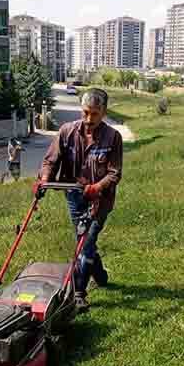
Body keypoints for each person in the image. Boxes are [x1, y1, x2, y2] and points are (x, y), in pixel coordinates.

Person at [34, 87, 122, 312]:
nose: (89, 118)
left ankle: (79, 292)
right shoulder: (67, 131)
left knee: (86, 241)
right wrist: (44, 180)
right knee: (85, 241)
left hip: (100, 199)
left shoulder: (113, 137)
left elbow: (114, 173)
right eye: (85, 112)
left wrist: (97, 187)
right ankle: (100, 275)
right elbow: (50, 161)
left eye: (94, 113)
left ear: (103, 112)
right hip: (73, 194)